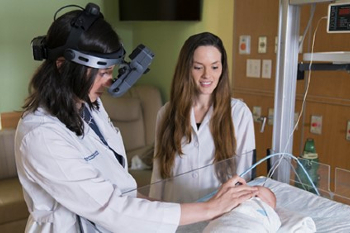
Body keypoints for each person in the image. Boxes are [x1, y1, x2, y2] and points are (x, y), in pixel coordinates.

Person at [14, 3, 259, 233]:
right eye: (102, 72)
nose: (109, 81)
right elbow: (111, 208)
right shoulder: (41, 135)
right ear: (62, 65)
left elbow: (122, 187)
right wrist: (209, 208)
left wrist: (161, 208)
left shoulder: (91, 107)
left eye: (111, 71)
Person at [149, 32, 256, 202]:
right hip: (176, 215)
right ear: (186, 69)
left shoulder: (239, 114)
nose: (207, 75)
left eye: (214, 67)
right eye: (198, 67)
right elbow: (158, 176)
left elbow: (245, 178)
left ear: (222, 68)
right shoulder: (166, 113)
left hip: (218, 219)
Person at [203, 186, 281, 233]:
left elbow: (274, 223)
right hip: (224, 224)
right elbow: (215, 213)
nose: (250, 193)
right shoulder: (234, 201)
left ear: (269, 206)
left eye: (256, 194)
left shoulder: (267, 211)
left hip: (249, 228)